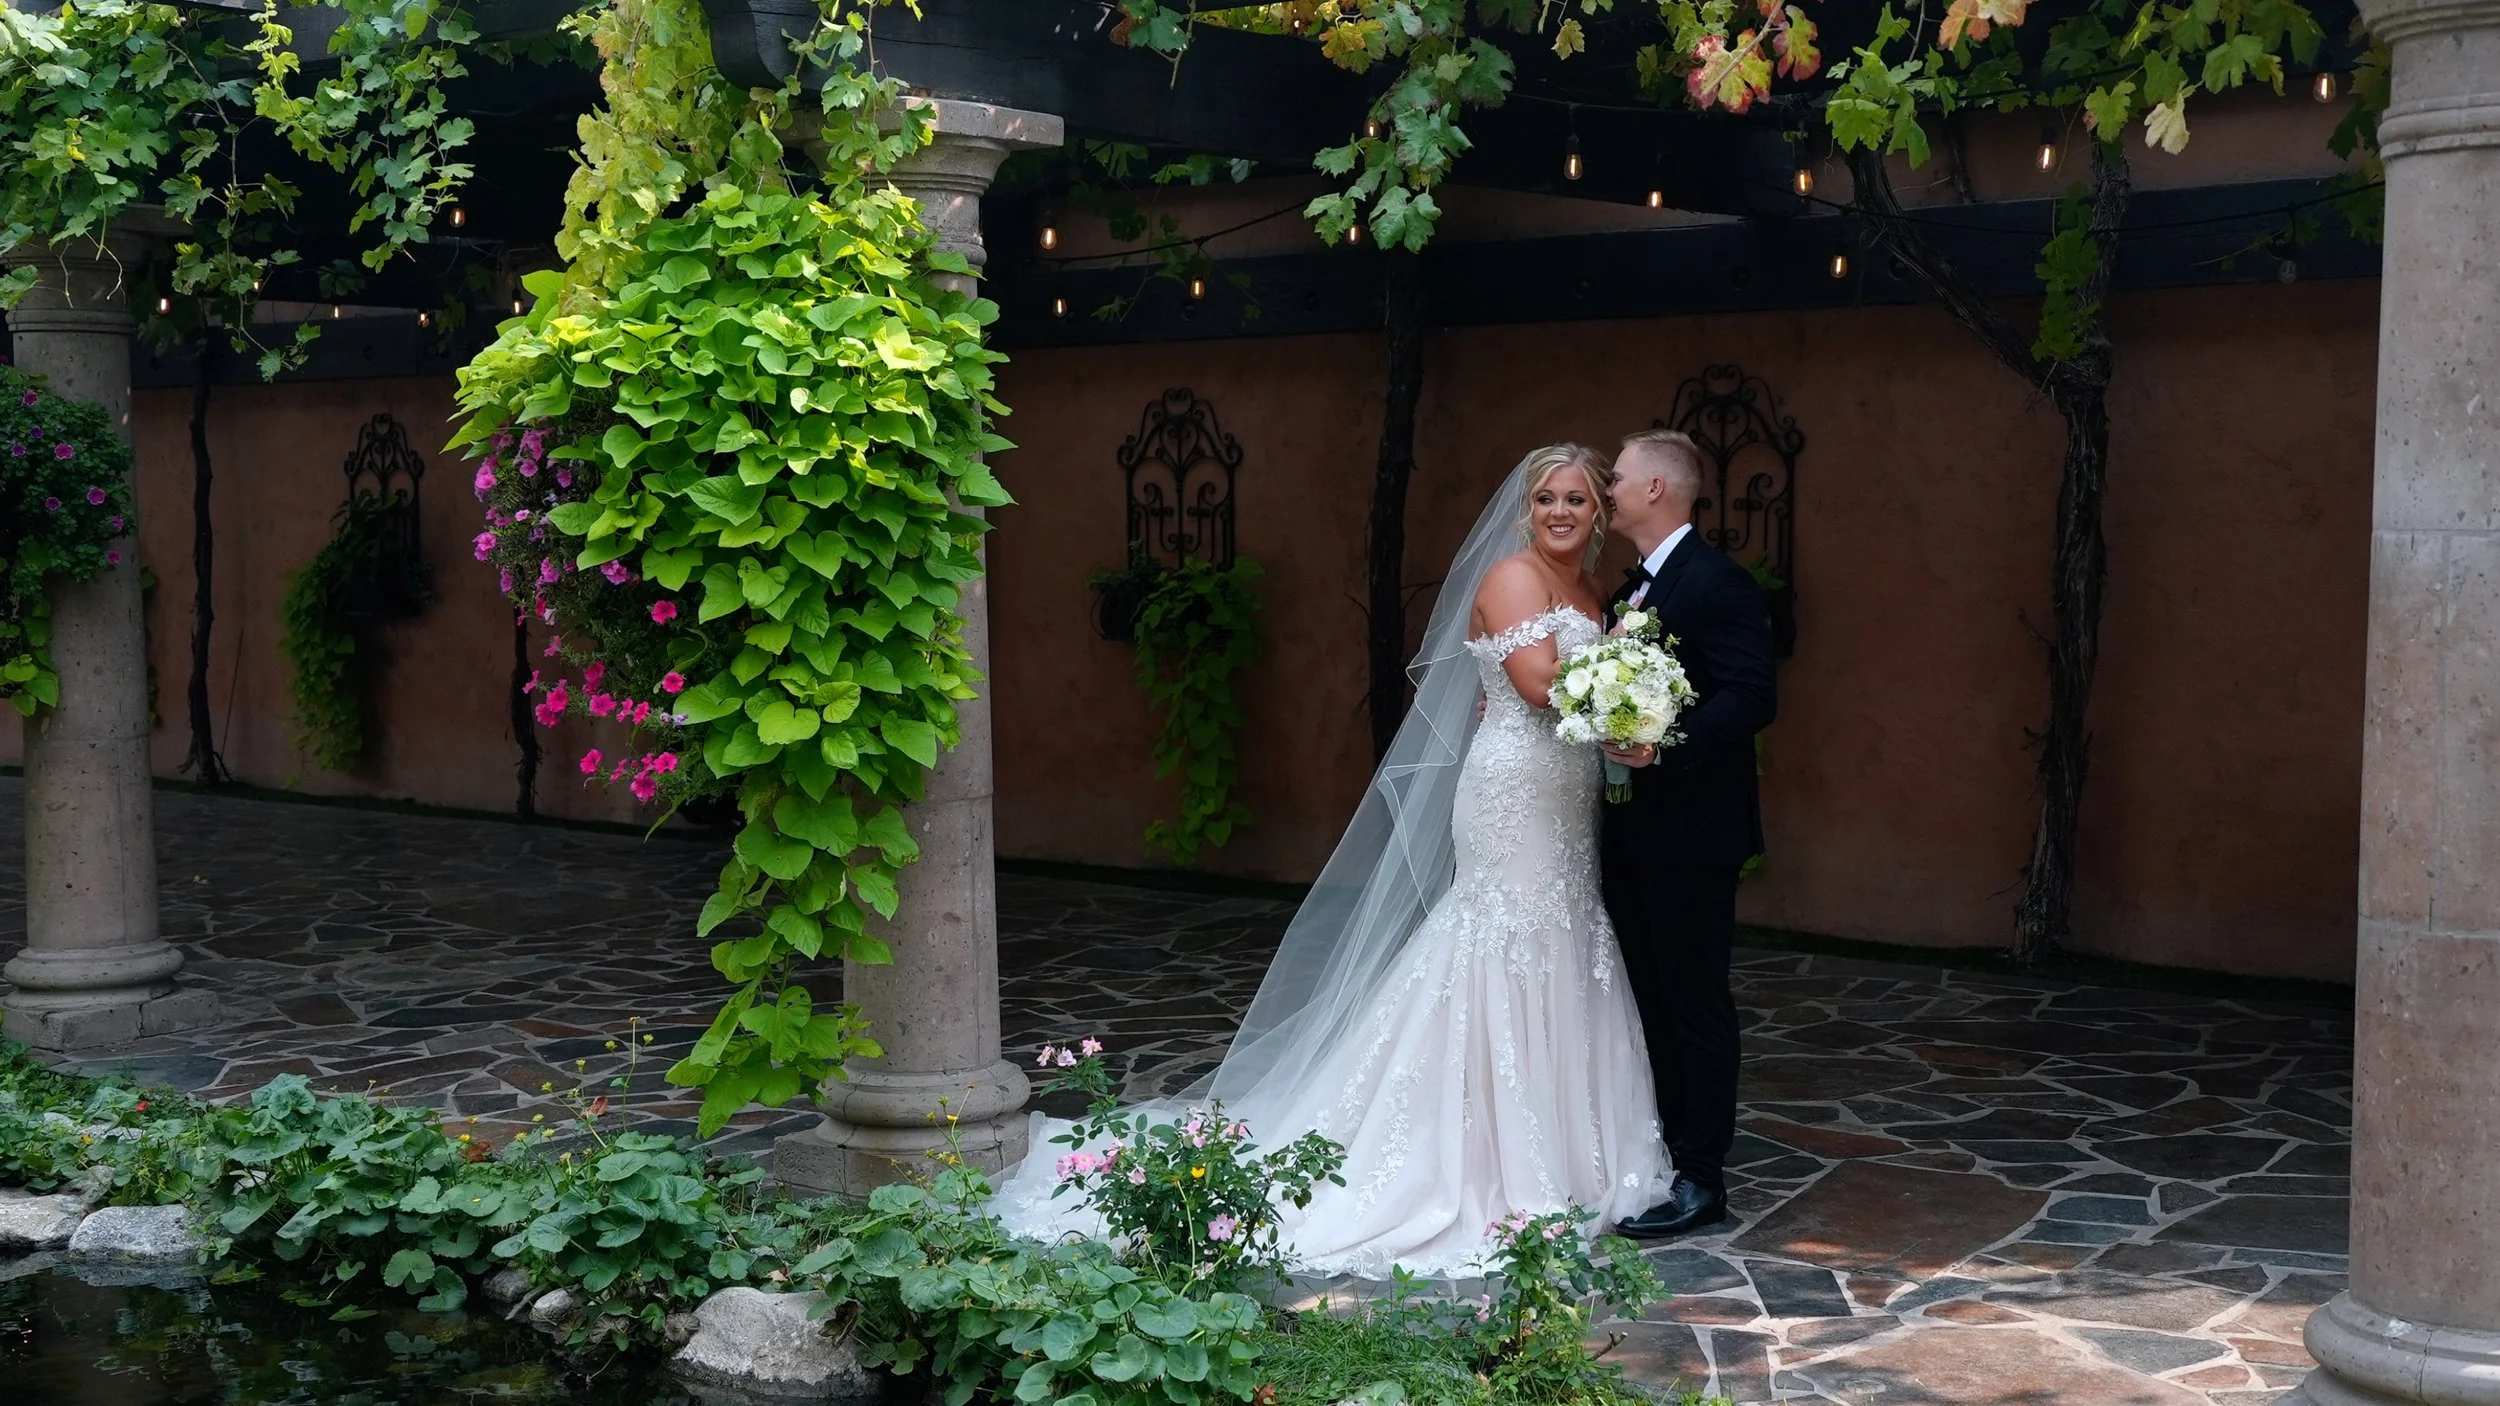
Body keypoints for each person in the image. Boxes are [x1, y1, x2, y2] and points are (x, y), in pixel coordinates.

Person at [989, 444, 1675, 1277]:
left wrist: (1631, 721)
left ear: (1598, 513)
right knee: (1501, 939)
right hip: (1509, 793)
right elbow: (1538, 687)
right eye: (1545, 499)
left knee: (1565, 938)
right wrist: (1620, 687)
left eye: (1575, 499)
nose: (1560, 513)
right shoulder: (1511, 578)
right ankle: (1476, 1160)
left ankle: (1571, 1153)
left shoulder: (1593, 590)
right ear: (1525, 510)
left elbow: (1581, 693)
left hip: (1565, 795)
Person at [1596, 428, 1778, 1239]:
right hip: (1633, 832)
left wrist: (1662, 746)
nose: (1608, 490)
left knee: (1694, 1003)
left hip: (1694, 834)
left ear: (1656, 489)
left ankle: (1704, 1178)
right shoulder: (1629, 591)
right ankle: (1665, 1157)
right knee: (1650, 1001)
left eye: (1617, 478)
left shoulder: (1717, 582)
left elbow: (1752, 695)